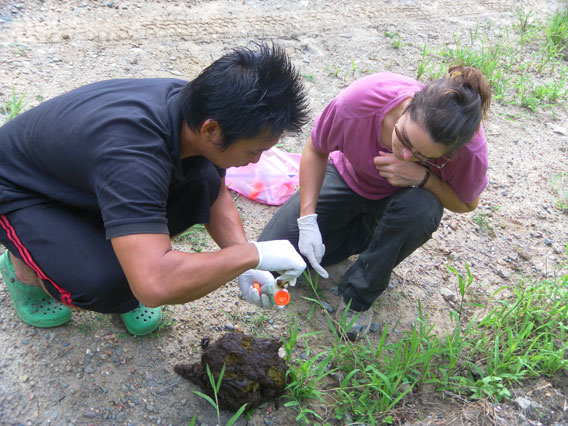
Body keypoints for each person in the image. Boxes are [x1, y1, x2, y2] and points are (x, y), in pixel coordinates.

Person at [0, 42, 309, 336]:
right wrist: (252, 255)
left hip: (81, 179)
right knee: (111, 283)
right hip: (22, 189)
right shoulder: (132, 154)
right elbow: (155, 285)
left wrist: (239, 255)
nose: (257, 160)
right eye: (253, 151)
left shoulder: (198, 108)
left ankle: (130, 252)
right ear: (211, 130)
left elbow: (214, 193)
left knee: (201, 182)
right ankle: (23, 268)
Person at [259, 65, 491, 341]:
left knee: (423, 210)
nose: (404, 155)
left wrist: (424, 177)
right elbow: (316, 148)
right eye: (404, 138)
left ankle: (358, 296)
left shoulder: (470, 149)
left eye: (422, 155)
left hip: (401, 201)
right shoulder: (360, 102)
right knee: (269, 262)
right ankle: (368, 240)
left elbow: (467, 204)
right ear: (408, 105)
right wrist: (307, 220)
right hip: (346, 177)